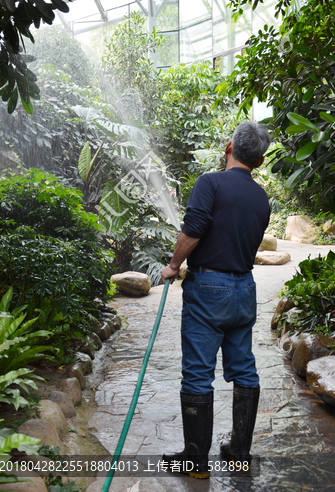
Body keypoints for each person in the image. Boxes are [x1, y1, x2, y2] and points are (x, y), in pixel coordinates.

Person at [161, 121, 271, 479]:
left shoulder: (211, 183)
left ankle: (195, 463)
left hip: (210, 290)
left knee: (197, 373)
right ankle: (238, 451)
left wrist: (174, 265)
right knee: (244, 369)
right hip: (244, 290)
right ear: (259, 160)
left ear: (228, 146)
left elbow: (194, 229)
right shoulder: (261, 197)